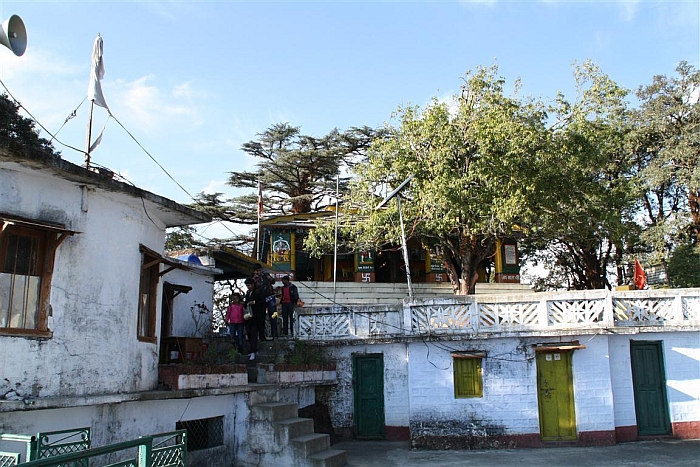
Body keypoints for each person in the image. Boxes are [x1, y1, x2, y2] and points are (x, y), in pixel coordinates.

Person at [243, 277, 266, 360]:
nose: (248, 287)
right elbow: (246, 302)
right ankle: (252, 350)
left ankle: (253, 351)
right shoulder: (248, 292)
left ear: (253, 284)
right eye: (247, 286)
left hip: (257, 316)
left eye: (249, 285)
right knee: (249, 333)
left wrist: (254, 302)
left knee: (254, 334)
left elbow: (263, 302)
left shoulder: (259, 291)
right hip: (249, 316)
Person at [253, 263, 278, 340]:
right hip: (261, 300)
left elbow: (273, 281)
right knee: (261, 318)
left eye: (259, 270)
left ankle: (275, 336)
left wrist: (268, 277)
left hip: (271, 297)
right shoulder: (254, 279)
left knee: (273, 315)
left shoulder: (266, 275)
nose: (258, 272)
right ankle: (262, 337)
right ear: (254, 271)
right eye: (256, 271)